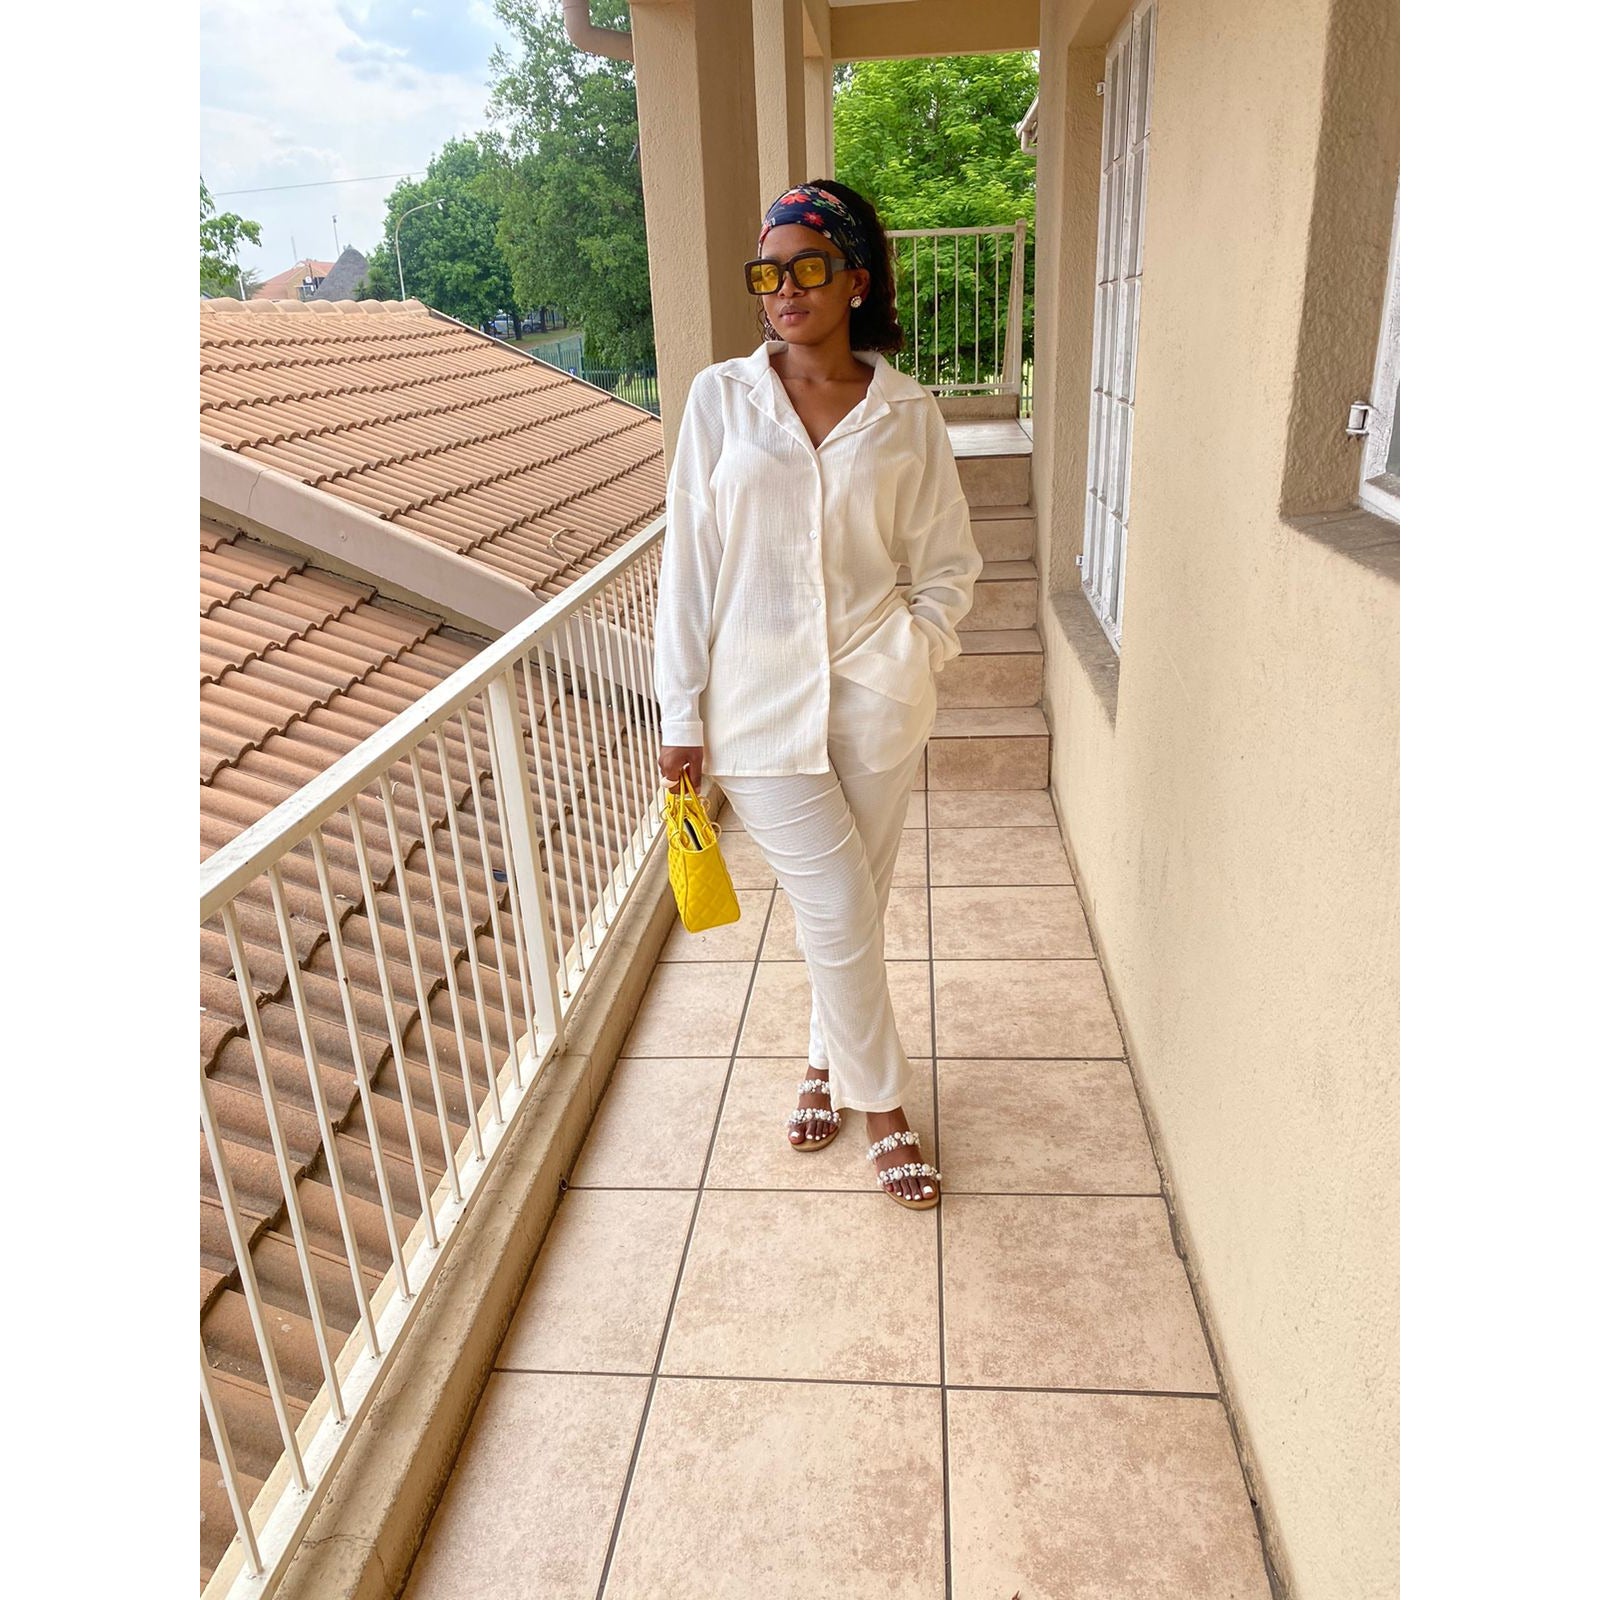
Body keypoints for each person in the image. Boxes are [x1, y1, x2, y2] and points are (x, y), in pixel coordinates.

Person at [652, 179, 983, 1211]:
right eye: (768, 273)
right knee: (835, 901)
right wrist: (680, 711)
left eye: (806, 267)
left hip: (877, 697)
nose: (784, 290)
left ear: (855, 281)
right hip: (755, 706)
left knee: (855, 904)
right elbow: (689, 562)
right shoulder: (720, 399)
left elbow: (948, 562)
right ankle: (883, 1107)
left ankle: (821, 1062)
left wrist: (919, 648)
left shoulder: (906, 413)